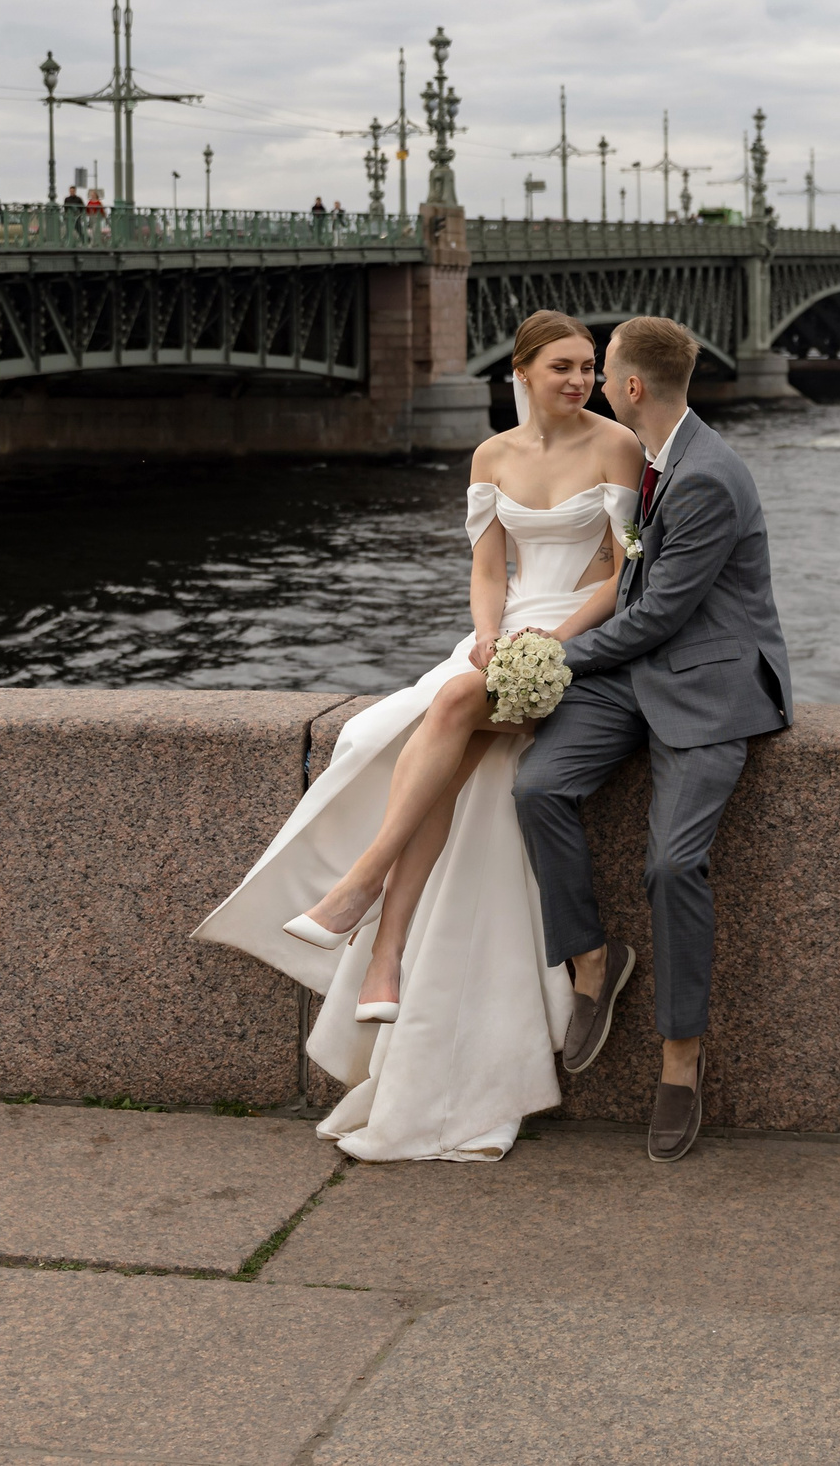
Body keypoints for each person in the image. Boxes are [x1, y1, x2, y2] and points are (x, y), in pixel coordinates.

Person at [193, 311, 643, 1162]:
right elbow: (485, 568)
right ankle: (386, 953)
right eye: (562, 367)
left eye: (588, 366)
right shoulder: (491, 457)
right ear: (522, 371)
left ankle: (362, 901)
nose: (579, 380)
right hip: (503, 636)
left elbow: (623, 577)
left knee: (442, 713)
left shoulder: (617, 447)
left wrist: (547, 645)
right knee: (389, 733)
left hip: (578, 641)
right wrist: (486, 633)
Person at [514, 315, 791, 1161]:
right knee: (537, 787)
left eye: (606, 375)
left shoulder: (706, 475)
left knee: (672, 862)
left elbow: (664, 612)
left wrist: (550, 657)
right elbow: (632, 586)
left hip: (706, 683)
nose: (596, 385)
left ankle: (680, 1061)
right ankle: (594, 957)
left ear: (633, 386)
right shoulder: (654, 457)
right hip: (637, 673)